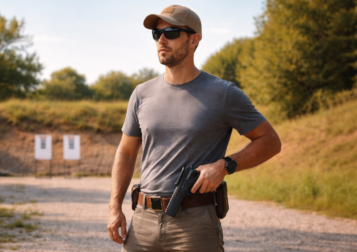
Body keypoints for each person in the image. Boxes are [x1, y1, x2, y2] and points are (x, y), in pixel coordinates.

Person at [107, 4, 282, 252]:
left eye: (171, 32)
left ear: (194, 39)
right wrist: (114, 208)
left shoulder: (223, 93)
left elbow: (270, 141)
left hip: (194, 224)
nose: (162, 39)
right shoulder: (141, 94)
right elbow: (125, 153)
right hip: (142, 221)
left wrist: (225, 166)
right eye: (157, 34)